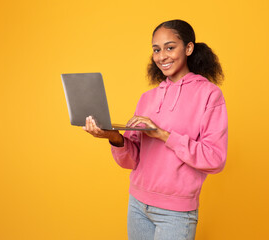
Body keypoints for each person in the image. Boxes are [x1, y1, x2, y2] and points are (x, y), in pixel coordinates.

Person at [83, 19, 228, 240]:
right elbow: (131, 161)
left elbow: (215, 158)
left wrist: (161, 134)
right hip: (138, 204)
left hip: (176, 213)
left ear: (188, 48)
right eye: (156, 50)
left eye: (170, 47)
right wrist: (113, 137)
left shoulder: (209, 94)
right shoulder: (147, 98)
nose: (162, 56)